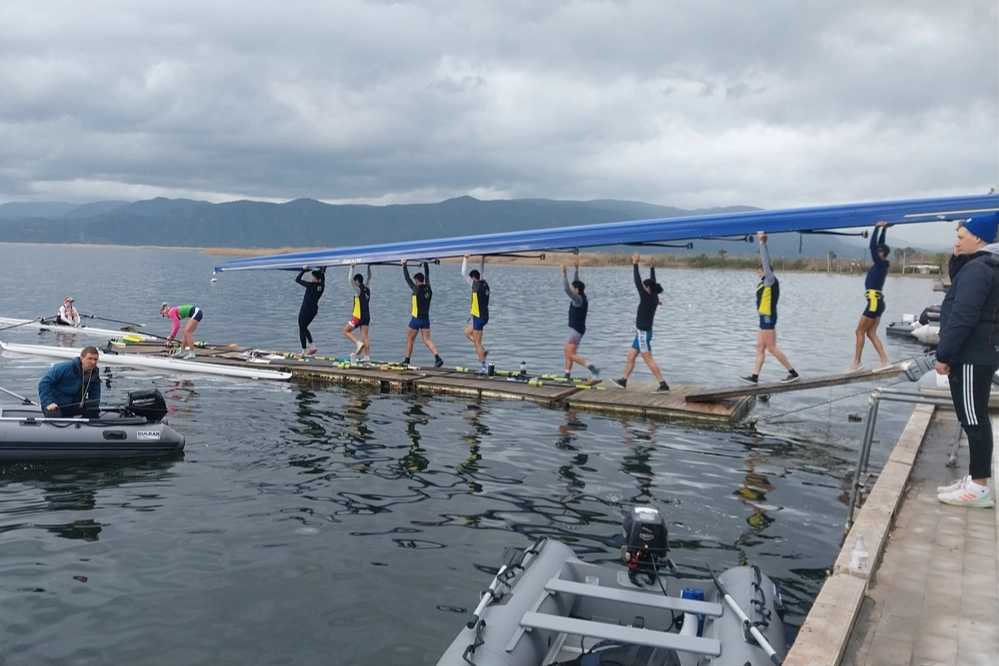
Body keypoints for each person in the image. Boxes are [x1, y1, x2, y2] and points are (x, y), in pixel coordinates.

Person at [934, 212, 999, 508]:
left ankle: (980, 486)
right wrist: (957, 257)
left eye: (961, 237)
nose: (956, 242)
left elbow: (963, 316)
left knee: (974, 420)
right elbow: (961, 288)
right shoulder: (981, 265)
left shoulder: (980, 269)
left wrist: (943, 354)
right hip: (976, 354)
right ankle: (975, 478)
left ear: (978, 238)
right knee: (971, 417)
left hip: (973, 355)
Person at [740, 232, 799, 384]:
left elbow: (765, 261)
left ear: (766, 271)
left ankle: (793, 373)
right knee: (760, 347)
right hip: (763, 317)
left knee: (771, 347)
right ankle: (754, 377)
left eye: (759, 271)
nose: (758, 273)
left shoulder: (770, 279)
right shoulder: (764, 281)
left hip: (768, 317)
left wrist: (762, 243)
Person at [610, 253, 670, 393]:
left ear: (647, 289)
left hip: (643, 334)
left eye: (644, 287)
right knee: (630, 356)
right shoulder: (653, 295)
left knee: (648, 360)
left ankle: (663, 385)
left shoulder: (646, 297)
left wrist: (635, 264)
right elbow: (652, 282)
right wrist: (652, 268)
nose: (642, 288)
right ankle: (623, 381)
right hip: (641, 333)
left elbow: (637, 282)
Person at [845, 221, 893, 373]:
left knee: (859, 331)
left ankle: (857, 363)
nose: (875, 252)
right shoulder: (882, 263)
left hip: (874, 302)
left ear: (881, 253)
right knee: (870, 333)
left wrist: (876, 228)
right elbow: (880, 245)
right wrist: (883, 231)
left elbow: (873, 246)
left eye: (878, 251)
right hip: (878, 302)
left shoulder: (880, 263)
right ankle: (885, 361)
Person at [402, 259, 444, 368]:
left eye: (415, 280)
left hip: (416, 318)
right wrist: (425, 263)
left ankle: (407, 360)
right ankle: (437, 358)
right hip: (426, 319)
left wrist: (404, 265)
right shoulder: (428, 288)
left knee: (410, 339)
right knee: (427, 340)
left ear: (416, 280)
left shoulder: (416, 289)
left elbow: (407, 278)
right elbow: (427, 274)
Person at [38, 346, 101, 418]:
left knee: (92, 406)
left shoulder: (94, 374)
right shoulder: (65, 367)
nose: (93, 362)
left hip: (73, 405)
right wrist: (48, 402)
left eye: (95, 359)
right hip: (56, 404)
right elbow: (44, 383)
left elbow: (95, 396)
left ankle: (85, 427)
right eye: (89, 358)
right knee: (54, 416)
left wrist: (94, 410)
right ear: (81, 358)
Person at [561, 261, 599, 380]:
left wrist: (564, 274)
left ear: (577, 290)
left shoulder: (578, 299)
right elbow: (576, 284)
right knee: (566, 350)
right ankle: (567, 374)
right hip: (575, 328)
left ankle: (592, 367)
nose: (572, 289)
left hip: (576, 330)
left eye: (574, 288)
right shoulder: (581, 294)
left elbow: (566, 289)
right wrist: (576, 270)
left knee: (570, 353)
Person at [462, 254, 490, 374]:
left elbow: (463, 273)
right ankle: (482, 350)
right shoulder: (484, 282)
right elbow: (482, 269)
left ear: (473, 278)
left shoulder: (475, 285)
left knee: (477, 343)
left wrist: (465, 258)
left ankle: (484, 366)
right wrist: (483, 258)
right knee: (467, 332)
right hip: (484, 316)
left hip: (479, 317)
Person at [343, 262, 371, 363]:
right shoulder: (367, 288)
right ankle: (367, 358)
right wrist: (369, 266)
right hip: (366, 316)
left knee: (346, 331)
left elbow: (350, 280)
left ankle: (358, 343)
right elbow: (369, 277)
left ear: (356, 282)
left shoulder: (358, 290)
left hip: (358, 316)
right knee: (365, 336)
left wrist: (351, 267)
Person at [295, 266, 325, 356]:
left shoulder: (310, 285)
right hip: (313, 311)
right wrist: (322, 270)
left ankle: (304, 351)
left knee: (301, 328)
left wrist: (303, 270)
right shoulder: (322, 286)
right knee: (304, 327)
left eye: (312, 276)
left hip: (305, 310)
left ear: (314, 278)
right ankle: (312, 345)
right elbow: (323, 279)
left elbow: (297, 279)